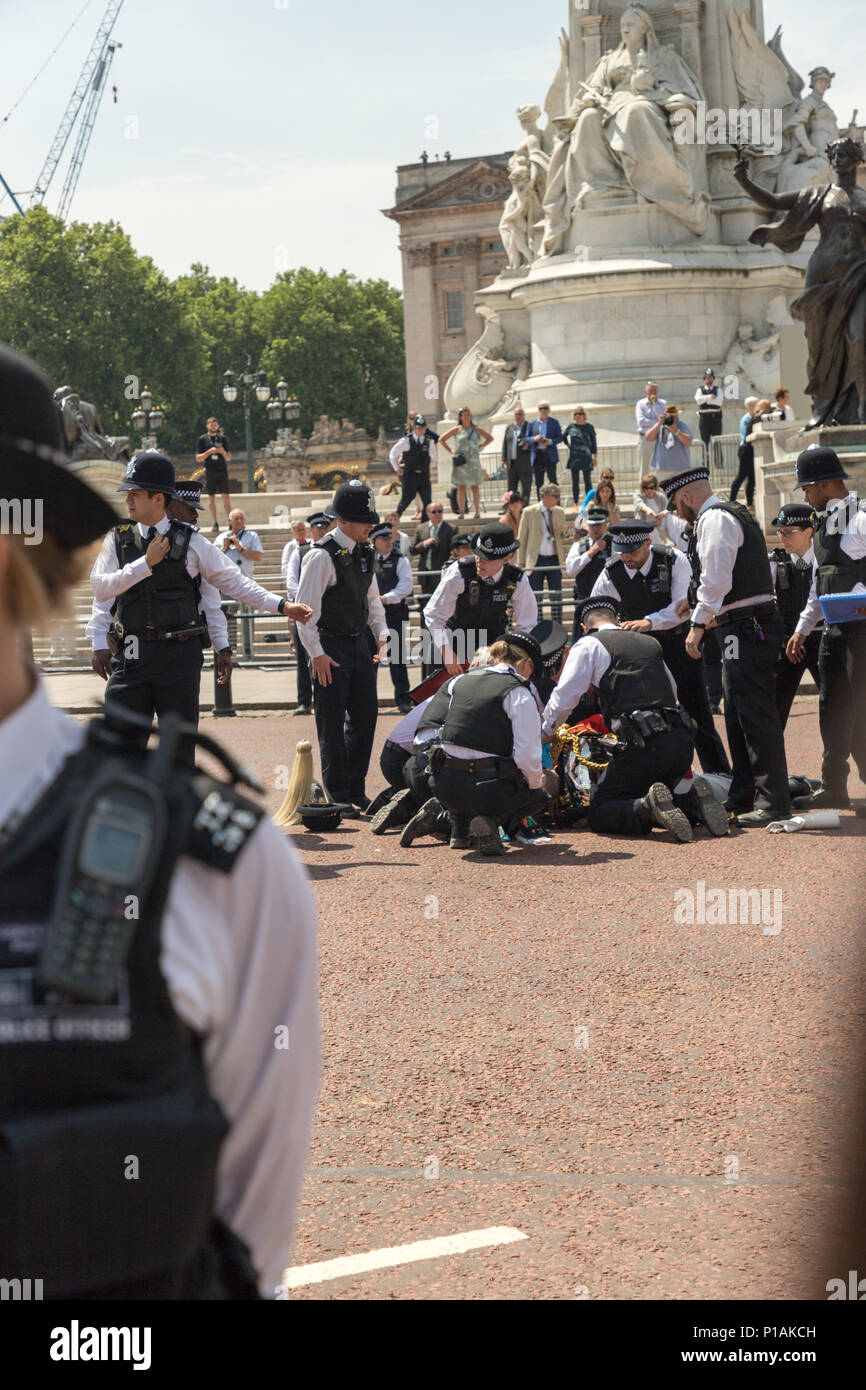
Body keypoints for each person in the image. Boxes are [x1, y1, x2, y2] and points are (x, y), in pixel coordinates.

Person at [0, 343, 319, 1300]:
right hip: (140, 660)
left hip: (174, 669)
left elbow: (240, 1251)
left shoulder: (218, 869)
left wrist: (273, 611)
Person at [89, 452, 305, 768]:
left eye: (136, 493)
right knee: (119, 749)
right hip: (131, 654)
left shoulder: (192, 542)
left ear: (158, 498)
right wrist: (145, 563)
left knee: (177, 754)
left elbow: (236, 583)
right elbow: (101, 588)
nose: (128, 500)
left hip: (178, 657)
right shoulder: (118, 538)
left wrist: (282, 605)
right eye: (128, 493)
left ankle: (176, 815)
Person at [664, 464, 791, 826]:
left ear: (687, 496)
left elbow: (716, 579)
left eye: (676, 502)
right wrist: (697, 603)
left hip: (745, 627)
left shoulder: (714, 520)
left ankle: (772, 800)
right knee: (736, 709)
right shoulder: (727, 514)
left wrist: (697, 623)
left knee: (752, 713)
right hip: (740, 626)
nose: (676, 511)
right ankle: (745, 792)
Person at [542, 597, 728, 840]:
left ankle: (645, 808)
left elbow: (563, 698)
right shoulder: (649, 643)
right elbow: (672, 693)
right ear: (617, 620)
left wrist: (543, 732)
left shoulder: (588, 645)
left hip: (641, 747)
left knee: (601, 809)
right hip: (680, 743)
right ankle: (691, 800)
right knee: (659, 791)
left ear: (584, 627)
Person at [590, 520, 730, 775]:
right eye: (621, 551)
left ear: (647, 543)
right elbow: (597, 611)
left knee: (697, 711)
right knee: (641, 715)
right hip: (638, 651)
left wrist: (649, 622)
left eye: (631, 551)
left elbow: (682, 606)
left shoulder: (673, 560)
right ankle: (648, 777)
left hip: (678, 644)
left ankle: (719, 773)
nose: (626, 557)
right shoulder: (611, 572)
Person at [294, 480, 388, 812]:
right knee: (331, 722)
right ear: (344, 521)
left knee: (365, 717)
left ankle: (355, 787)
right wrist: (316, 654)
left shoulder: (366, 550)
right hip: (329, 645)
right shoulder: (320, 556)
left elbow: (371, 598)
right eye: (366, 520)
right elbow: (305, 612)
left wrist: (382, 632)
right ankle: (337, 793)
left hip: (358, 643)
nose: (371, 526)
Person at [786, 447, 866, 809]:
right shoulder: (821, 525)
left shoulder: (862, 517)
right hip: (834, 631)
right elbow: (822, 582)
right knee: (830, 707)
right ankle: (835, 786)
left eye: (807, 488)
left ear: (825, 483)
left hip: (862, 632)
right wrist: (804, 627)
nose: (804, 495)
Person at [425, 631, 552, 854]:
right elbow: (527, 755)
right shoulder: (518, 691)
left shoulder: (461, 680)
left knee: (463, 768)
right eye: (532, 671)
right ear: (526, 663)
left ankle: (459, 828)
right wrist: (535, 782)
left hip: (442, 783)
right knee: (539, 797)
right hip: (486, 789)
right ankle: (489, 820)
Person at [423, 522, 538, 674]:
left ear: (506, 558)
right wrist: (447, 653)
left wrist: (516, 657)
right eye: (478, 554)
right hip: (453, 639)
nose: (479, 561)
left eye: (487, 558)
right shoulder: (459, 572)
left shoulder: (517, 579)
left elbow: (527, 624)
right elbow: (433, 614)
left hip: (492, 645)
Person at [769, 503, 823, 729]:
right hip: (788, 645)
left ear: (809, 531)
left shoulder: (825, 559)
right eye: (780, 532)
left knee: (840, 708)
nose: (783, 538)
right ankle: (770, 764)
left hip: (823, 641)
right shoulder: (774, 561)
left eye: (789, 532)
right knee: (774, 711)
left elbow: (818, 599)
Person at [371, 520, 414, 714]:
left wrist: (385, 599)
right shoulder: (367, 559)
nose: (389, 542)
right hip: (370, 617)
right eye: (384, 538)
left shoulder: (400, 559)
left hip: (393, 614)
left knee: (397, 658)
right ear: (374, 540)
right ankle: (366, 699)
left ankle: (403, 699)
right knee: (371, 659)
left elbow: (406, 586)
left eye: (390, 538)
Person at [411, 502, 454, 680]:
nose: (437, 514)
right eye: (434, 511)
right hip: (427, 578)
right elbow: (413, 549)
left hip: (442, 578)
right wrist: (424, 544)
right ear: (427, 513)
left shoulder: (451, 529)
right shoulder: (421, 528)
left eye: (440, 511)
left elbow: (453, 550)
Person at [518, 482, 571, 623]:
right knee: (536, 598)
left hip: (554, 559)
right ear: (545, 496)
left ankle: (558, 627)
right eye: (555, 496)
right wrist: (521, 561)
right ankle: (538, 626)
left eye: (558, 496)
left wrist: (565, 531)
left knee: (556, 597)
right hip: (535, 560)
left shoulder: (559, 511)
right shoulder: (529, 512)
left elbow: (565, 537)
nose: (558, 499)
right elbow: (522, 538)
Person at [216, 509, 264, 659]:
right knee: (227, 618)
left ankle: (248, 650)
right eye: (236, 518)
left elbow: (258, 557)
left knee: (247, 617)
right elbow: (212, 560)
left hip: (245, 583)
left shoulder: (252, 536)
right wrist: (224, 548)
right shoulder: (220, 537)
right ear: (229, 520)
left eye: (241, 518)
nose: (239, 521)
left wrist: (240, 548)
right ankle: (230, 649)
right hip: (226, 585)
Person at [439, 406, 493, 520]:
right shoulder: (457, 429)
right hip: (461, 461)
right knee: (461, 487)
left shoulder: (476, 429)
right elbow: (442, 439)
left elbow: (490, 438)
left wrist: (482, 445)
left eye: (468, 415)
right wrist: (451, 450)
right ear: (460, 417)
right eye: (464, 415)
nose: (467, 417)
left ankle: (477, 511)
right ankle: (462, 512)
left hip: (473, 461)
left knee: (475, 487)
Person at [565, 505, 611, 638]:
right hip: (584, 600)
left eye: (599, 525)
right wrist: (591, 552)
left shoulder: (613, 545)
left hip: (607, 602)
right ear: (587, 527)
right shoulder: (578, 546)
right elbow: (571, 570)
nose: (596, 529)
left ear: (605, 526)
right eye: (593, 526)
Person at [389, 414, 438, 521]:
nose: (421, 430)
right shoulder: (406, 440)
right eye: (419, 428)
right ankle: (393, 521)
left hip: (424, 476)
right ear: (414, 428)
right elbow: (393, 454)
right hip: (410, 475)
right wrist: (397, 468)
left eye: (423, 428)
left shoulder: (429, 441)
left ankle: (424, 524)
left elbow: (434, 458)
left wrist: (426, 467)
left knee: (427, 502)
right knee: (405, 500)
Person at [195, 416, 232, 534]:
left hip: (222, 470)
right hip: (210, 471)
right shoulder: (202, 439)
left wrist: (223, 452)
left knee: (225, 496)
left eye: (215, 424)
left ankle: (230, 522)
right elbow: (198, 458)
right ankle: (215, 522)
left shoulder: (223, 439)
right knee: (211, 497)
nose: (213, 426)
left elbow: (229, 457)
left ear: (218, 426)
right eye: (211, 424)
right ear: (207, 426)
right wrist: (208, 452)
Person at [645, 403, 695, 479]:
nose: (672, 418)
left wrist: (676, 431)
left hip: (680, 469)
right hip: (662, 469)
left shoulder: (682, 426)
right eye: (670, 416)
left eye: (674, 416)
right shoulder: (660, 426)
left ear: (677, 415)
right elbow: (648, 438)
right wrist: (659, 424)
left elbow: (688, 442)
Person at [525, 401, 564, 498]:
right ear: (538, 410)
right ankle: (540, 503)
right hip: (537, 455)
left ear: (549, 410)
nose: (543, 410)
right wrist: (535, 439)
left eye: (545, 408)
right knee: (539, 482)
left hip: (549, 454)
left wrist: (550, 441)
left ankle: (556, 503)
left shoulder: (554, 422)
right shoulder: (532, 423)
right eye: (540, 408)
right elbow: (526, 438)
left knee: (553, 481)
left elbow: (560, 437)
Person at [563, 407, 597, 510]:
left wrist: (594, 458)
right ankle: (575, 503)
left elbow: (594, 443)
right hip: (574, 456)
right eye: (576, 414)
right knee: (575, 481)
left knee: (587, 481)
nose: (578, 416)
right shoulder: (571, 426)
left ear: (584, 415)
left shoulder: (589, 427)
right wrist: (569, 446)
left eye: (580, 413)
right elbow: (563, 437)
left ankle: (589, 502)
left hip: (586, 456)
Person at [730, 397, 759, 509]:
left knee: (752, 478)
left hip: (752, 450)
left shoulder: (755, 417)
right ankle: (732, 500)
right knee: (741, 476)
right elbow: (745, 435)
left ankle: (749, 503)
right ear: (750, 406)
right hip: (745, 450)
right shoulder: (745, 420)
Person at [501, 405, 532, 502]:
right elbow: (505, 443)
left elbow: (534, 441)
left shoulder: (529, 426)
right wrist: (503, 458)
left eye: (520, 414)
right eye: (516, 414)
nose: (518, 416)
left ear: (524, 415)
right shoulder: (509, 427)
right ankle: (511, 509)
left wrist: (528, 446)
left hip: (525, 463)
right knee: (511, 489)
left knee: (526, 488)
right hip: (512, 464)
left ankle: (525, 508)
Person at [636, 382, 667, 468]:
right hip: (645, 439)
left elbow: (663, 418)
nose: (652, 392)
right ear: (645, 391)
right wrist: (658, 423)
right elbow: (641, 422)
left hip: (659, 438)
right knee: (644, 466)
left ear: (657, 391)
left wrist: (654, 404)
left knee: (660, 466)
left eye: (654, 390)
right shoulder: (640, 404)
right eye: (650, 390)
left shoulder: (663, 403)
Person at [693, 368, 724, 454]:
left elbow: (719, 402)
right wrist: (710, 397)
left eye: (710, 377)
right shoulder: (700, 390)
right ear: (704, 379)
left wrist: (705, 400)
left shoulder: (718, 390)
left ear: (713, 379)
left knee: (717, 442)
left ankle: (719, 464)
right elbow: (698, 400)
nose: (708, 379)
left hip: (715, 418)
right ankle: (705, 464)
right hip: (704, 418)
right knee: (704, 442)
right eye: (707, 377)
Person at [281, 519, 308, 583]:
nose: (301, 532)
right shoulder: (290, 546)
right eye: (299, 530)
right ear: (293, 531)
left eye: (303, 529)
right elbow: (285, 566)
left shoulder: (311, 543)